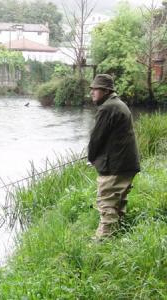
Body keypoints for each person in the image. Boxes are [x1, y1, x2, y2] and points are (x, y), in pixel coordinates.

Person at [87, 74, 140, 240]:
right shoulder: (118, 104)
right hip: (127, 164)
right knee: (118, 203)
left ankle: (102, 244)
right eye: (92, 89)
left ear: (106, 90)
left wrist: (91, 157)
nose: (92, 92)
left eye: (95, 89)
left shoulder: (107, 108)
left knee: (107, 203)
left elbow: (96, 138)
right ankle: (118, 236)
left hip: (115, 166)